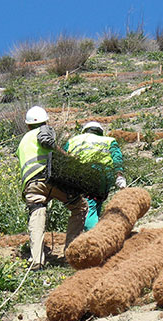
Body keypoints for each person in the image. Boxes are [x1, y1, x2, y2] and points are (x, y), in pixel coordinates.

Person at [16, 106, 88, 270]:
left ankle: (36, 261)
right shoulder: (44, 130)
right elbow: (49, 145)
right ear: (45, 122)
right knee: (80, 207)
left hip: (31, 185)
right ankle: (71, 254)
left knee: (37, 215)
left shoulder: (22, 142)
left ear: (27, 125)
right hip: (49, 178)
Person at [64, 121, 126, 230]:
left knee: (88, 208)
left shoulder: (73, 141)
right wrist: (119, 176)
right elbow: (117, 159)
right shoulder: (109, 141)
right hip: (104, 177)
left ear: (85, 131)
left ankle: (95, 236)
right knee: (96, 203)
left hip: (84, 175)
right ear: (100, 132)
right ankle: (97, 229)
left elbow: (63, 159)